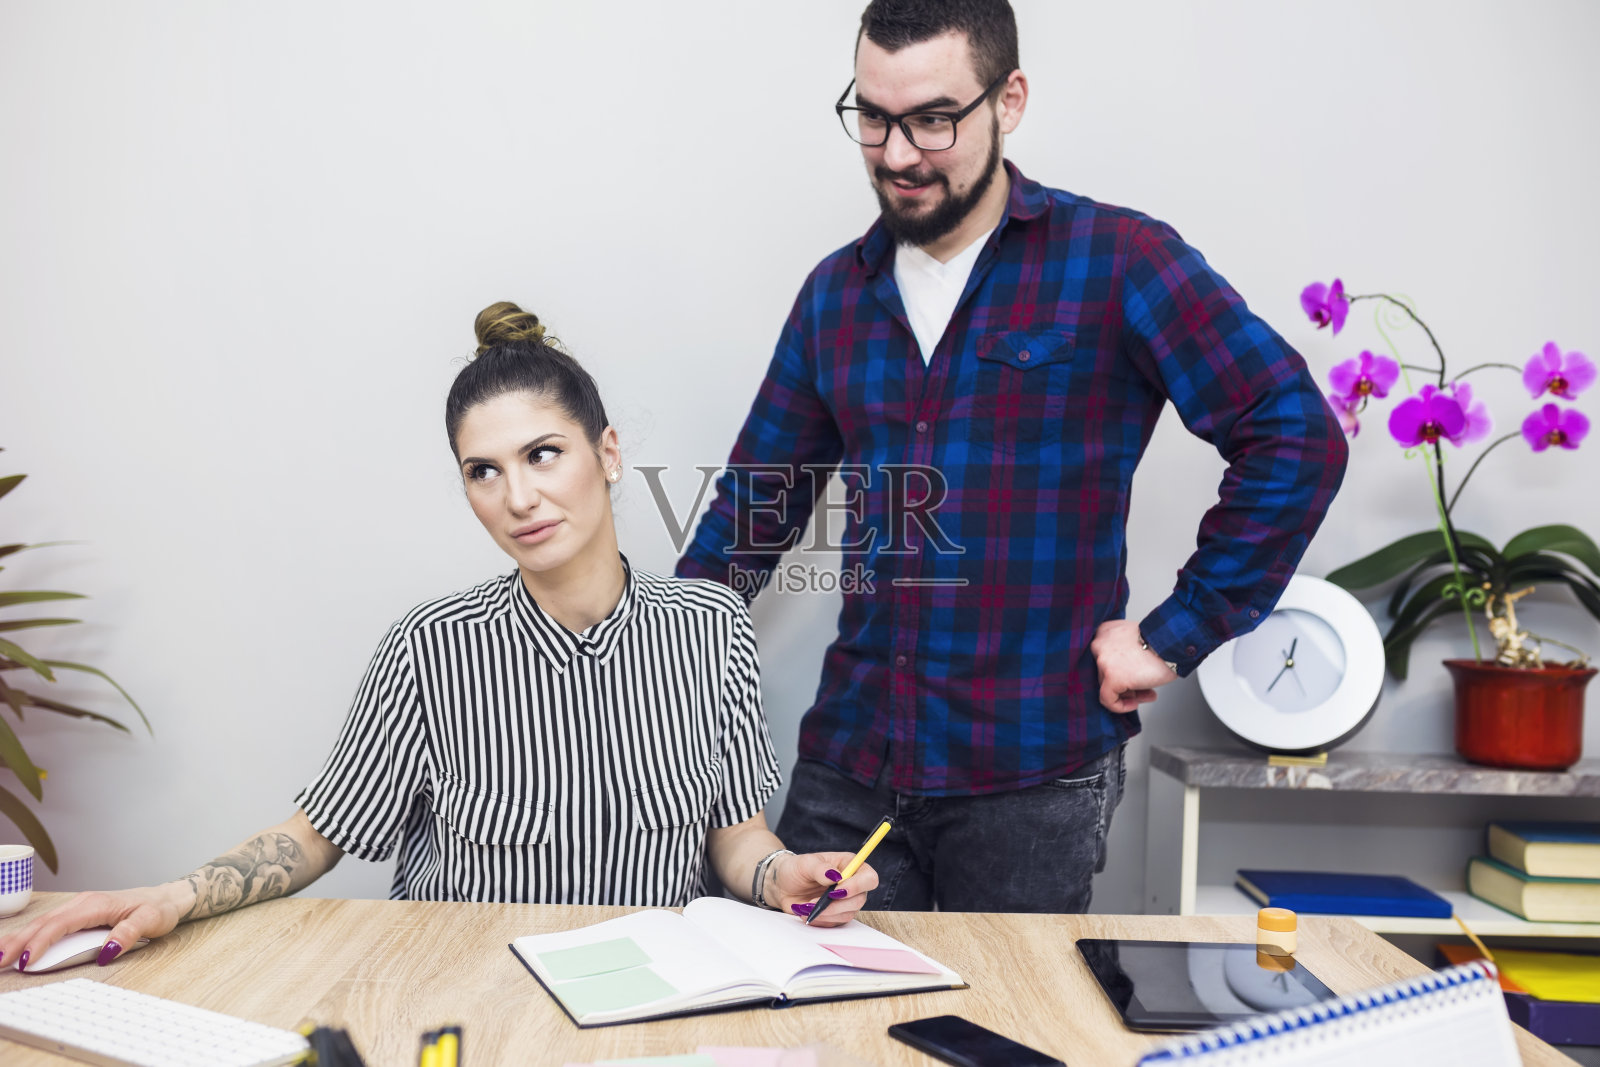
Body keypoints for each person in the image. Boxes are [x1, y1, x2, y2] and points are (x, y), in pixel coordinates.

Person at [676, 0, 1348, 913]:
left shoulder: (1118, 260)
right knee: (814, 1040)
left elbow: (1294, 434)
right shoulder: (836, 293)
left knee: (1007, 1041)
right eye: (873, 117)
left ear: (1011, 99)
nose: (900, 153)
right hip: (848, 764)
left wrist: (1174, 632)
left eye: (934, 119)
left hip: (1032, 781)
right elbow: (754, 510)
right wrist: (647, 652)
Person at [0, 302, 876, 973]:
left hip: (649, 999)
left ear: (607, 453)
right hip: (461, 996)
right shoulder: (429, 647)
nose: (519, 498)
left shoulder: (711, 628)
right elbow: (316, 833)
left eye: (543, 454)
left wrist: (785, 876)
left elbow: (735, 835)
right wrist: (171, 896)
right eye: (483, 472)